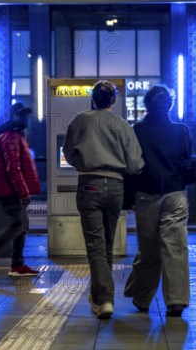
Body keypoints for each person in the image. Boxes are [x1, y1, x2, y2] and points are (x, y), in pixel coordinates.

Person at [63, 80, 144, 319]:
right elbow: (136, 163)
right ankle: (101, 297)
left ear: (93, 99)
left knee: (95, 245)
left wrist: (83, 164)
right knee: (107, 243)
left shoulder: (80, 120)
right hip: (116, 186)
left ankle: (105, 298)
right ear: (113, 101)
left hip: (89, 183)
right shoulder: (122, 125)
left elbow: (68, 153)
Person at [123, 85, 192, 317]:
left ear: (146, 105)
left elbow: (130, 165)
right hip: (175, 193)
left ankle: (142, 297)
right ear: (170, 105)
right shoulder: (181, 130)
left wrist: (128, 197)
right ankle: (176, 300)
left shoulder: (138, 131)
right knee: (175, 247)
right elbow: (187, 159)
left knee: (149, 248)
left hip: (146, 194)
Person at [0, 103, 41, 277]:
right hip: (9, 188)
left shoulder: (10, 133)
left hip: (9, 187)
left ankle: (17, 265)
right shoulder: (10, 136)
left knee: (22, 225)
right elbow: (13, 168)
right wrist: (24, 192)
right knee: (17, 224)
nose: (25, 120)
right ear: (15, 117)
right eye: (22, 116)